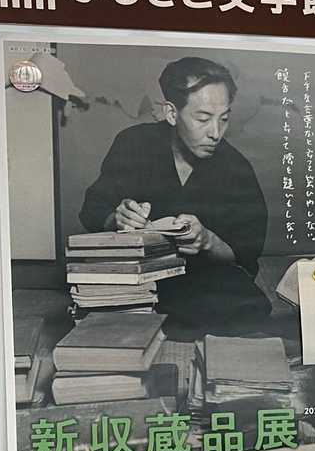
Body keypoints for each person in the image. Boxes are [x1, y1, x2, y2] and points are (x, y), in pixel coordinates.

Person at [79, 56, 270, 335]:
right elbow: (92, 210)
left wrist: (208, 241)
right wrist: (117, 218)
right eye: (203, 118)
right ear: (171, 113)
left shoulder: (236, 168)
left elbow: (245, 256)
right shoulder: (134, 143)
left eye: (224, 119)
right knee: (99, 310)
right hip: (139, 277)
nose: (215, 133)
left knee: (249, 308)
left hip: (203, 284)